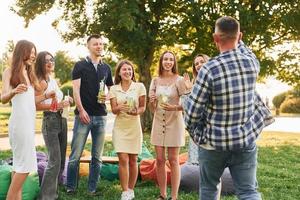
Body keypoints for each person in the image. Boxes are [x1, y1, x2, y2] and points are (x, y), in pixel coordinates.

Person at [183, 16, 274, 200]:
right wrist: (239, 38)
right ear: (239, 36)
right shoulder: (252, 64)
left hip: (213, 144)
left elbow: (192, 114)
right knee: (249, 192)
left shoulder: (209, 69)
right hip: (244, 141)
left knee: (209, 190)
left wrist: (198, 135)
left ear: (215, 38)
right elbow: (245, 48)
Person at [1, 40, 55, 200]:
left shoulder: (30, 75)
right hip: (19, 125)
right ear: (21, 52)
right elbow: (3, 97)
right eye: (30, 52)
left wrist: (46, 96)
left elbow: (31, 102)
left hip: (28, 125)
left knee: (19, 167)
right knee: (24, 168)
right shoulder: (9, 71)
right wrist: (14, 92)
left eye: (34, 53)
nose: (33, 56)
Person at [66, 34, 114, 195]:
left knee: (97, 157)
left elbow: (111, 88)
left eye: (101, 44)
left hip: (101, 116)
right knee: (75, 155)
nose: (99, 46)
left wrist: (107, 96)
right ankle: (71, 187)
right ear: (88, 46)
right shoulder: (80, 65)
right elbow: (76, 90)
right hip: (83, 116)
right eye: (95, 44)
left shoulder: (106, 68)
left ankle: (92, 189)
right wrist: (81, 110)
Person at [149, 51, 188, 200]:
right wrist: (152, 101)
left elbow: (186, 103)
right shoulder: (155, 81)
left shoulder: (179, 80)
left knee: (173, 159)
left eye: (171, 59)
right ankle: (163, 194)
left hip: (175, 122)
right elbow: (152, 109)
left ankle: (174, 196)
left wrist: (175, 108)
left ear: (174, 63)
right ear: (161, 61)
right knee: (159, 159)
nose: (168, 62)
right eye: (165, 59)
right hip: (158, 122)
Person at [34, 51, 72, 200]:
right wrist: (56, 106)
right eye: (46, 61)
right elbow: (35, 105)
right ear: (40, 64)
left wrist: (65, 101)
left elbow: (56, 100)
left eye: (52, 59)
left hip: (61, 119)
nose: (50, 62)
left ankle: (54, 191)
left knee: (61, 158)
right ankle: (46, 196)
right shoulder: (42, 81)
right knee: (54, 160)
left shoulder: (53, 79)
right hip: (50, 120)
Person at [109, 60, 146, 200]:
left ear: (132, 72)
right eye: (124, 70)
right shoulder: (114, 89)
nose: (127, 72)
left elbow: (143, 107)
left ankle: (131, 189)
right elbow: (113, 110)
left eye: (129, 70)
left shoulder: (139, 87)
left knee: (133, 159)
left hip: (134, 126)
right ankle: (125, 191)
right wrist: (120, 108)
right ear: (119, 72)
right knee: (123, 158)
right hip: (120, 128)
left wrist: (136, 112)